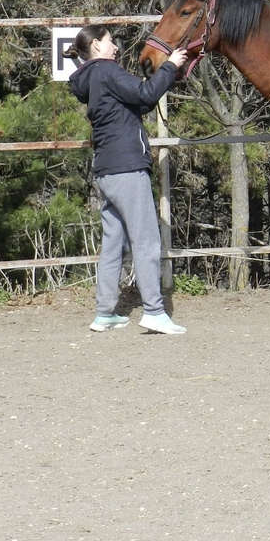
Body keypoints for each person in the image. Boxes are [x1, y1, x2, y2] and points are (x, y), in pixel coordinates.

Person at [65, 25, 190, 334]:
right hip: (127, 167)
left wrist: (167, 75)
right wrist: (171, 65)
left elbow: (141, 101)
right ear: (96, 45)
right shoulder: (107, 70)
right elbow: (146, 93)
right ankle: (154, 310)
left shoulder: (93, 78)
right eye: (111, 41)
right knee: (146, 239)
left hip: (106, 170)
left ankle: (105, 312)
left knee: (113, 243)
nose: (117, 47)